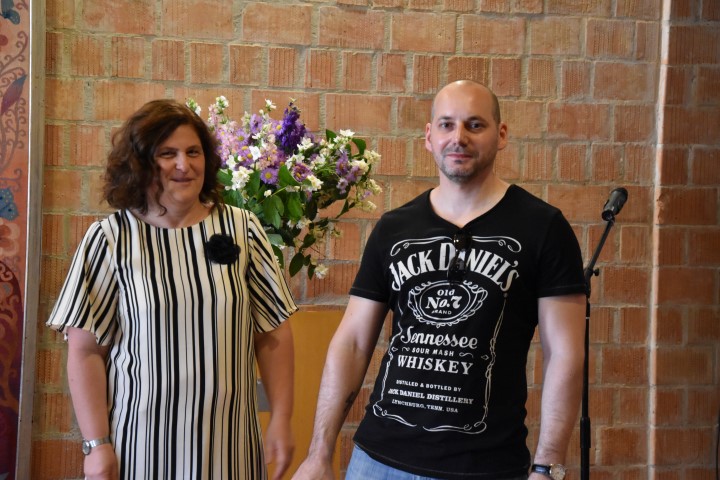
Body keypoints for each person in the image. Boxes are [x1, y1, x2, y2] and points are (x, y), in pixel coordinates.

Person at [293, 80, 586, 480]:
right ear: (429, 137)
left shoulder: (543, 228)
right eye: (447, 124)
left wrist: (548, 467)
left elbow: (564, 353)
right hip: (377, 463)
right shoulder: (394, 228)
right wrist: (318, 454)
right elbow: (353, 343)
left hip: (484, 468)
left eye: (475, 125)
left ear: (501, 135)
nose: (458, 137)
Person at [47, 99, 298, 480]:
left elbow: (273, 333)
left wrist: (281, 418)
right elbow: (85, 351)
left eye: (193, 152)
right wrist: (96, 445)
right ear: (140, 162)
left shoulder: (243, 230)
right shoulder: (111, 239)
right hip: (141, 446)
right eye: (168, 154)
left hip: (230, 445)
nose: (184, 164)